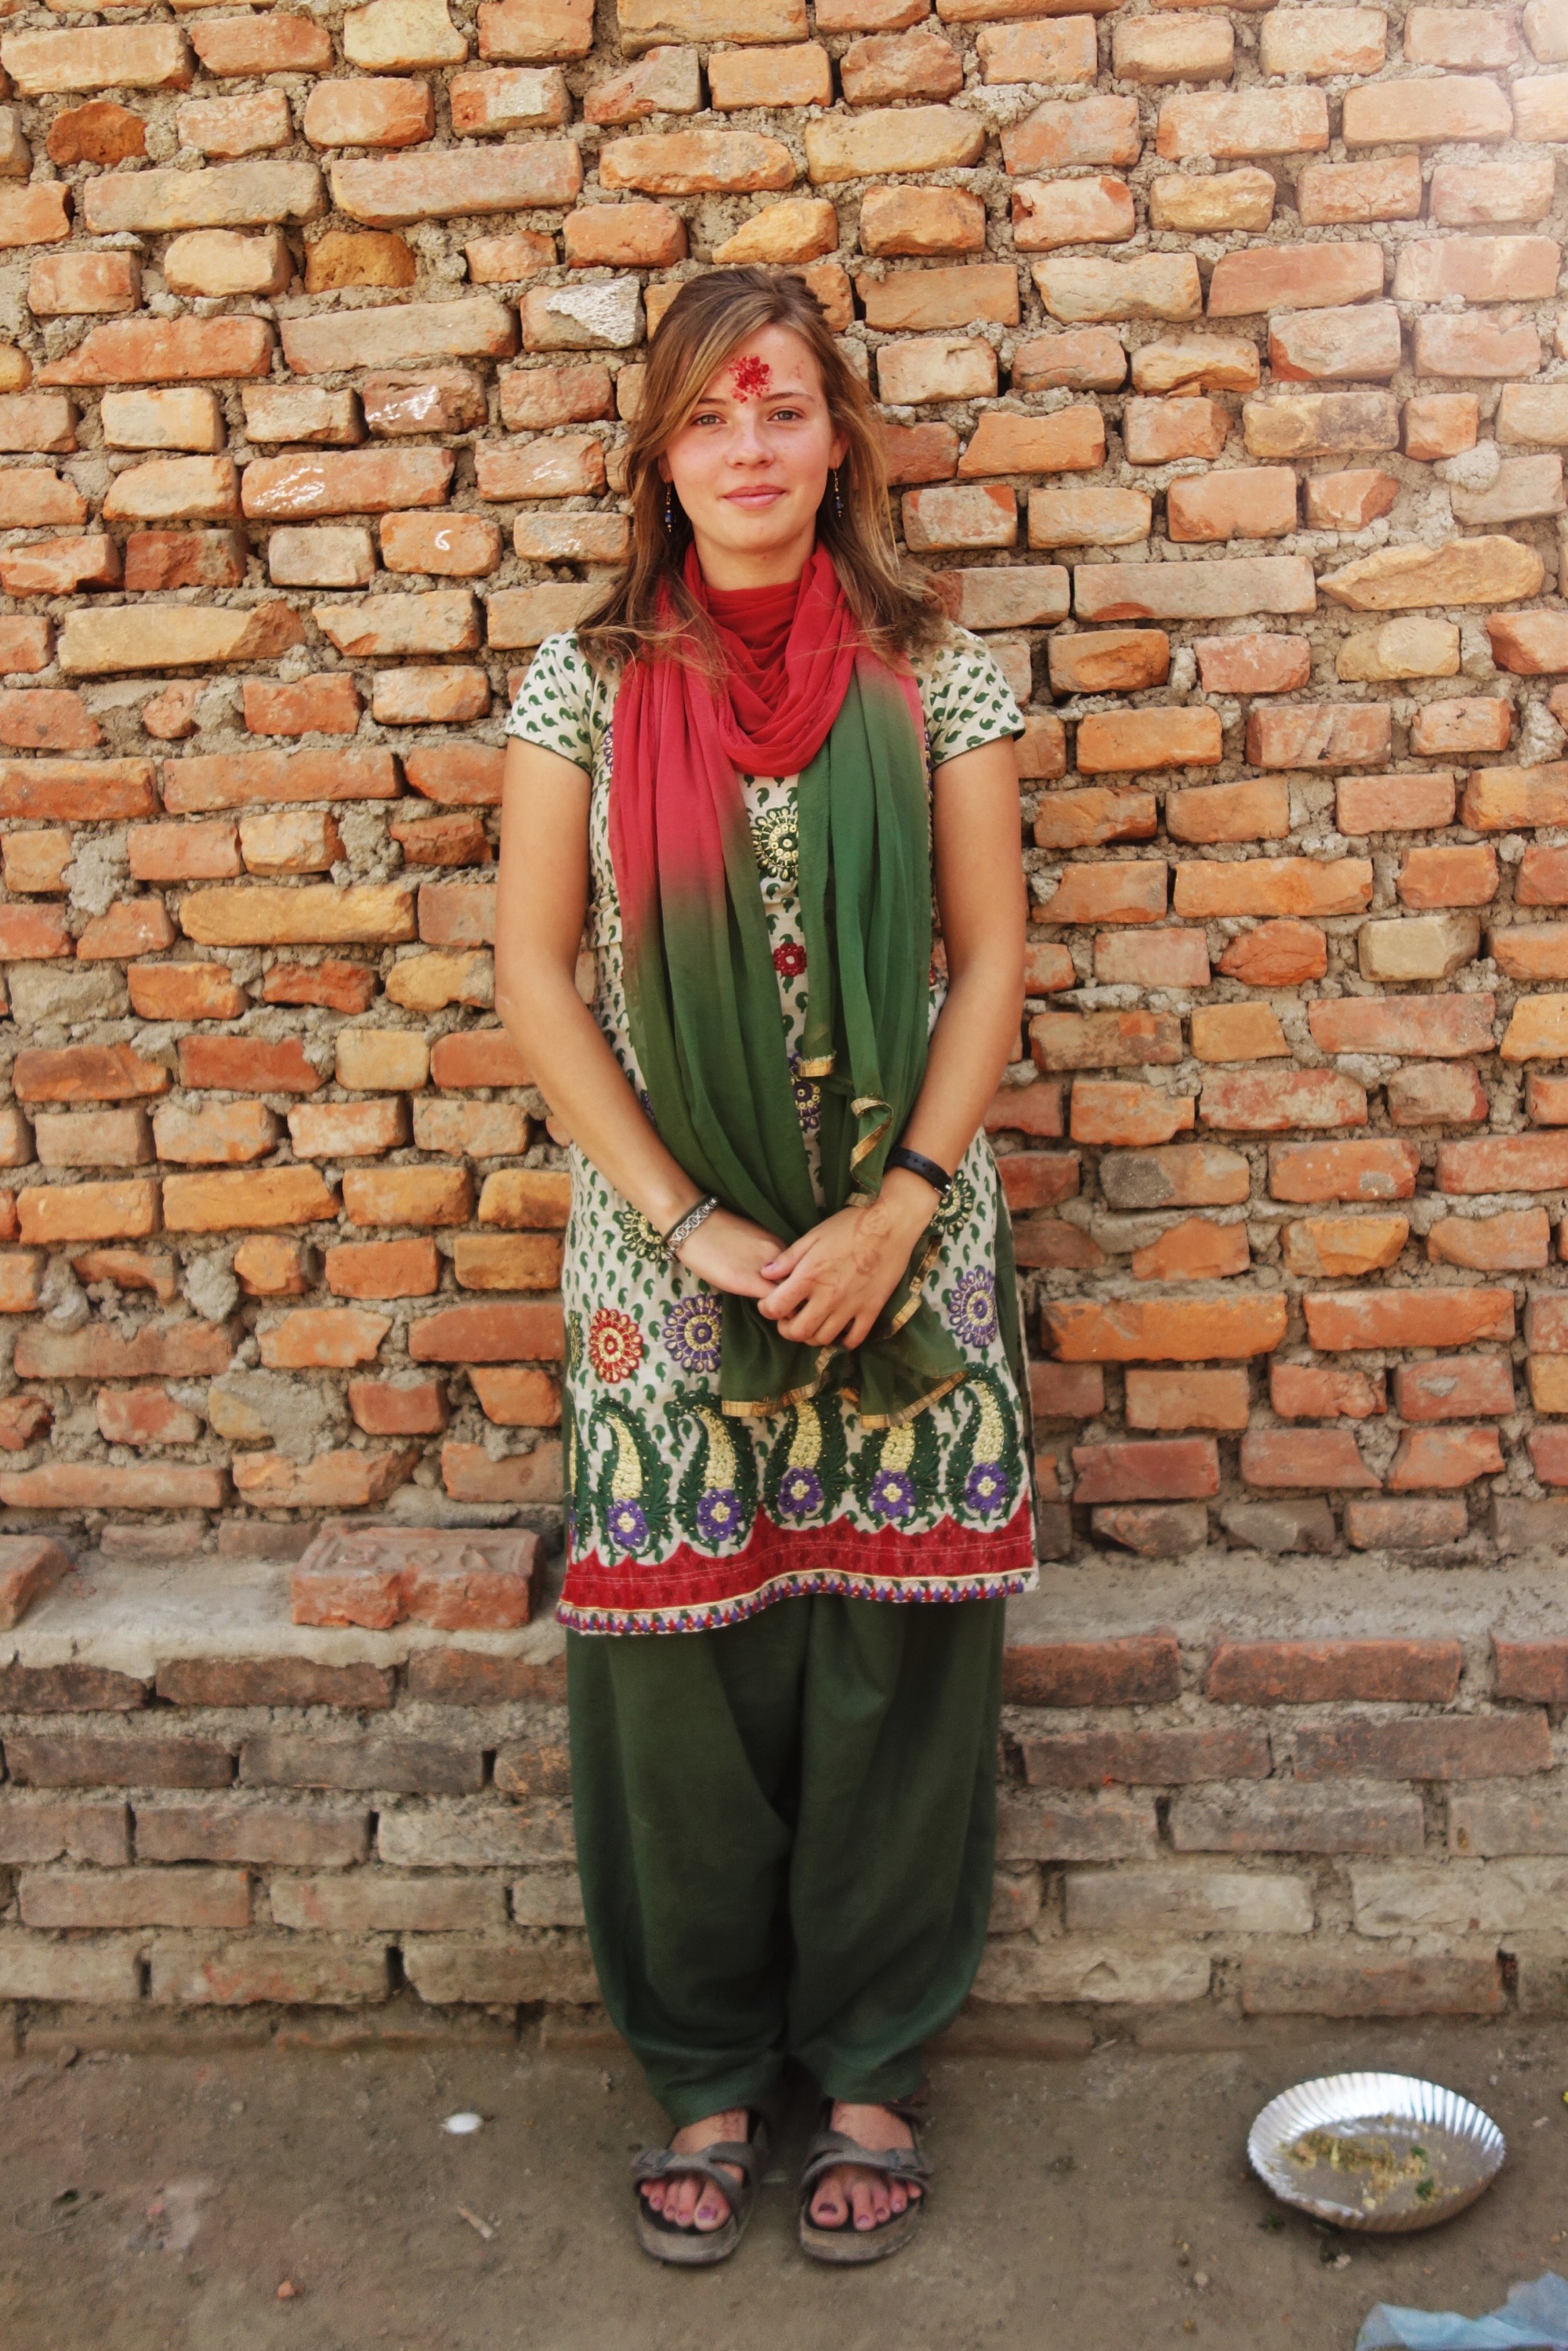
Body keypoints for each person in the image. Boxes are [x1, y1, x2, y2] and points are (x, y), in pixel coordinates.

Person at [495, 265, 1035, 2268]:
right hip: (665, 1254)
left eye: (783, 409)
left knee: (898, 1645)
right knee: (678, 1673)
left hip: (908, 1230)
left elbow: (989, 956)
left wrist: (902, 1201)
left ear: (836, 443)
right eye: (709, 417)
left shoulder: (933, 675)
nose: (748, 448)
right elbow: (531, 977)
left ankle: (872, 2061)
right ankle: (707, 2070)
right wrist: (686, 1221)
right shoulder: (581, 687)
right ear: (658, 453)